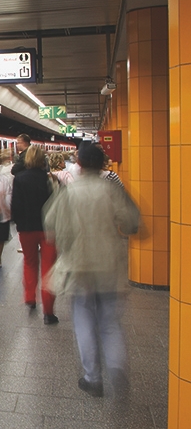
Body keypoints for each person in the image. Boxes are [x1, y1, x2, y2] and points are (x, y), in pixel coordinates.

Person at [44, 142, 140, 397]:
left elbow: (53, 225)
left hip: (80, 267)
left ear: (81, 165)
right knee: (109, 322)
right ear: (101, 165)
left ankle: (92, 377)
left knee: (84, 320)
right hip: (109, 266)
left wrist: (68, 250)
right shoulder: (111, 190)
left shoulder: (70, 192)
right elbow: (132, 222)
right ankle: (117, 367)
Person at [11, 145, 58, 324]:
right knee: (48, 269)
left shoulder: (19, 179)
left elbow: (15, 205)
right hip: (49, 230)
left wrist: (20, 225)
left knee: (30, 263)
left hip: (27, 229)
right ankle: (48, 312)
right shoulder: (50, 179)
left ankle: (30, 298)